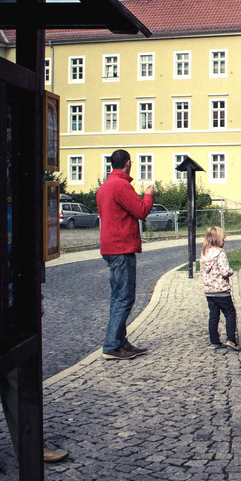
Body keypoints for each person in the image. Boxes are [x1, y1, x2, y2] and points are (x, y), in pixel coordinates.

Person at [97, 149, 154, 360]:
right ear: (128, 163)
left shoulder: (104, 187)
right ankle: (112, 345)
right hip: (122, 248)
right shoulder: (121, 185)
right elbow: (141, 211)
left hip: (110, 248)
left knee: (117, 296)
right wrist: (149, 195)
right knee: (125, 297)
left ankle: (120, 342)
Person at [200, 227, 240, 350]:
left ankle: (214, 341)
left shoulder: (204, 254)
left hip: (209, 292)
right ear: (218, 240)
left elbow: (202, 273)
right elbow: (224, 271)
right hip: (221, 291)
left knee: (213, 316)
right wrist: (231, 271)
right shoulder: (220, 254)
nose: (224, 241)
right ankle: (231, 340)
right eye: (223, 239)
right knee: (230, 313)